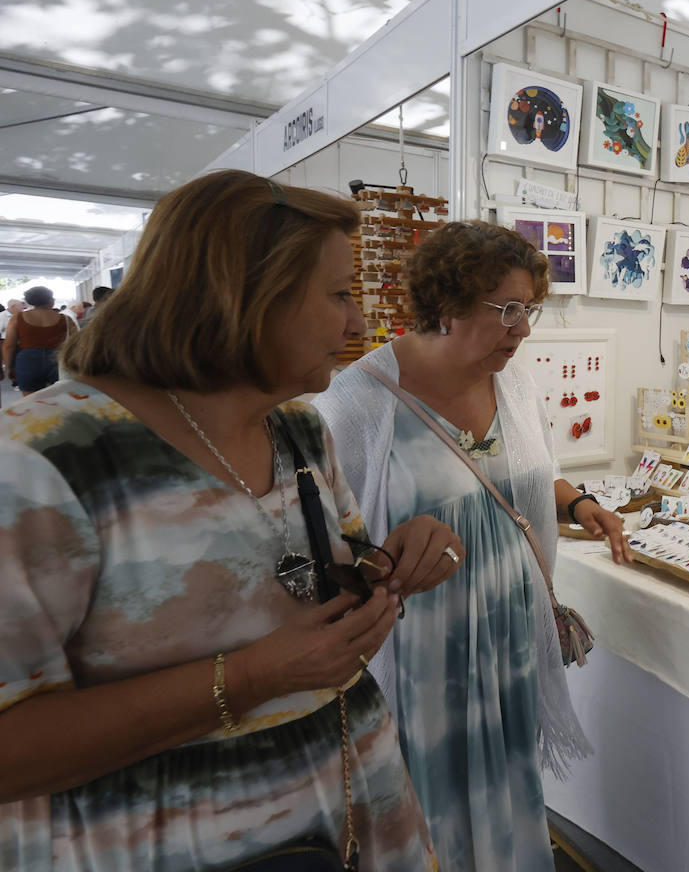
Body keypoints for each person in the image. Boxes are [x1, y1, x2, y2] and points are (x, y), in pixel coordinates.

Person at [0, 170, 463, 869]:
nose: (357, 325)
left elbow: (335, 574)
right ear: (243, 292)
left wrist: (399, 562)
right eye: (340, 294)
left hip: (350, 818)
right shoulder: (43, 460)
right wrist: (248, 677)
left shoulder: (299, 429)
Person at [315, 220, 631, 872]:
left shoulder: (512, 382)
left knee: (511, 790)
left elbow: (524, 473)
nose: (523, 328)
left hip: (509, 637)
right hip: (424, 655)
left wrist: (579, 503)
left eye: (530, 309)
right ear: (448, 304)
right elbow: (325, 546)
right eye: (507, 309)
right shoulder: (361, 404)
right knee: (430, 804)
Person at [2, 286, 74, 394]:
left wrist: (8, 367)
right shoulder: (66, 319)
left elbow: (9, 346)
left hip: (28, 359)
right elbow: (77, 343)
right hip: (57, 358)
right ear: (50, 300)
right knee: (59, 396)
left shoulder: (17, 318)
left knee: (29, 398)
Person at [0, 299, 21, 385]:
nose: (22, 308)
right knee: (10, 360)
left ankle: (17, 379)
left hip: (19, 342)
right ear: (12, 307)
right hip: (5, 341)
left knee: (17, 361)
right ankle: (15, 381)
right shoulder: (2, 316)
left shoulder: (20, 316)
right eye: (20, 306)